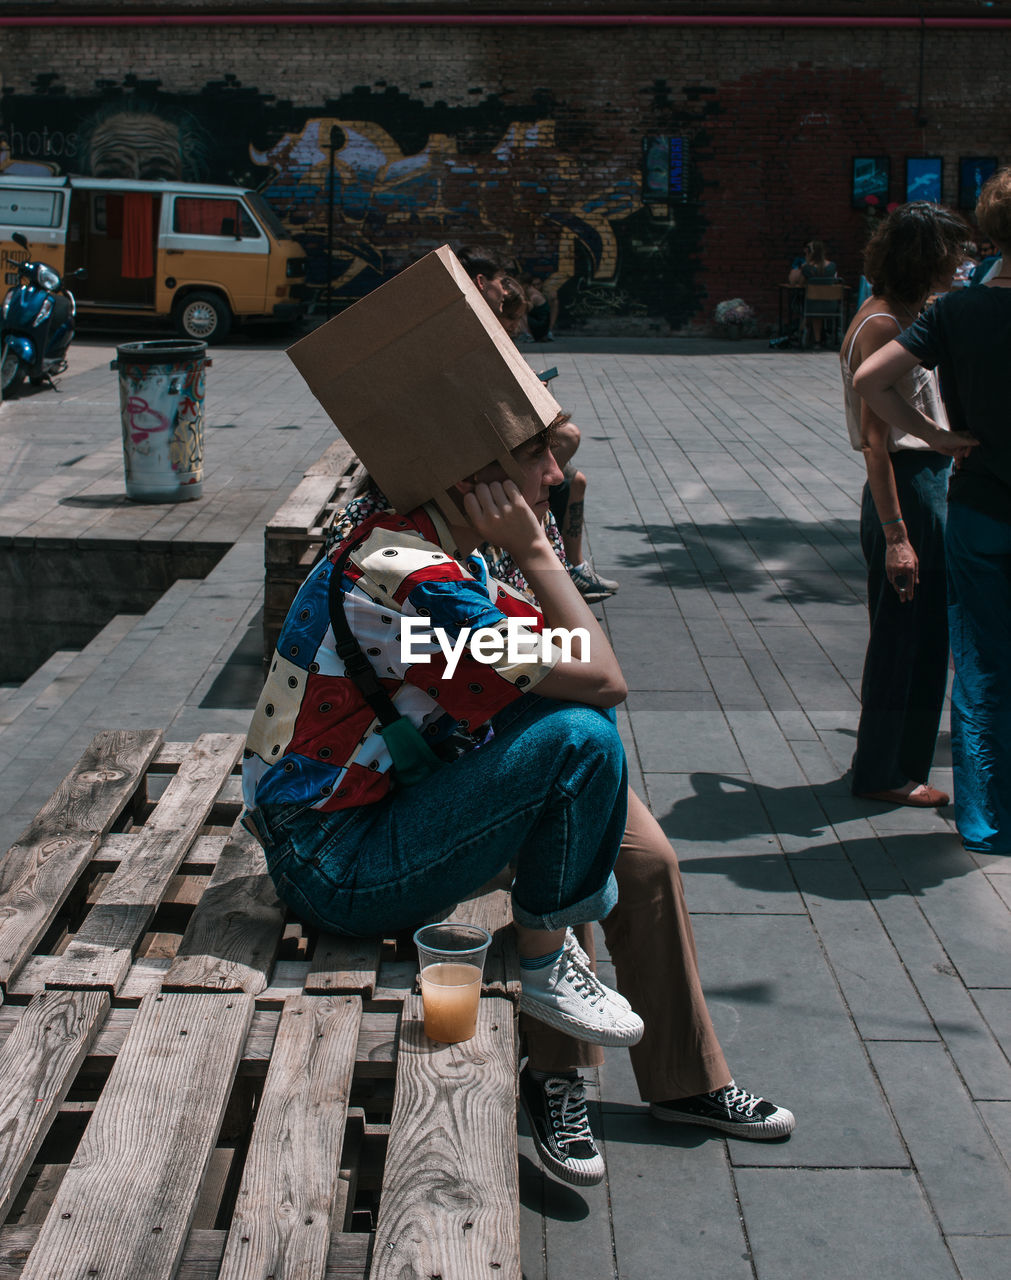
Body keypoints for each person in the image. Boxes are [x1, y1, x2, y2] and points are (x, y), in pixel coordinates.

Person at [245, 431, 795, 1191]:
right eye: (537, 456)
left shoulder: (449, 551)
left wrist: (527, 550)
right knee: (578, 744)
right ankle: (555, 1056)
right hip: (334, 859)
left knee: (644, 857)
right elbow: (600, 675)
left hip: (402, 796)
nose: (557, 474)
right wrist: (537, 548)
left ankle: (683, 1079)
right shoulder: (409, 575)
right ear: (471, 475)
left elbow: (565, 658)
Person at [853, 169, 1011, 855]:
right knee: (917, 642)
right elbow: (872, 426)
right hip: (923, 491)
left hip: (971, 499)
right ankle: (890, 770)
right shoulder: (904, 315)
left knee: (967, 657)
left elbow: (872, 387)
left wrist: (944, 439)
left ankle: (969, 807)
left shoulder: (950, 313)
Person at [841, 202, 972, 808]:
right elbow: (875, 443)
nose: (961, 262)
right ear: (925, 258)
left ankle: (889, 765)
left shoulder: (889, 315)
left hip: (916, 484)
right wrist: (898, 534)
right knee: (906, 639)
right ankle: (885, 773)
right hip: (908, 486)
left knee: (912, 635)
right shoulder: (883, 326)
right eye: (953, 252)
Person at [457, 245, 619, 603]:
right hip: (493, 444)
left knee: (572, 480)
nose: (505, 301)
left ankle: (573, 570)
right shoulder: (466, 334)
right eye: (501, 287)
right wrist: (531, 549)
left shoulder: (476, 331)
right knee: (566, 470)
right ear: (484, 283)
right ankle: (570, 573)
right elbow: (595, 662)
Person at [789, 239, 840, 347]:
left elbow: (799, 283)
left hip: (812, 306)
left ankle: (803, 333)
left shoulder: (808, 268)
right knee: (818, 304)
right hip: (831, 305)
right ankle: (817, 339)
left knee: (810, 304)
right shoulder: (832, 266)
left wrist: (806, 263)